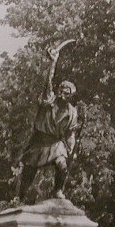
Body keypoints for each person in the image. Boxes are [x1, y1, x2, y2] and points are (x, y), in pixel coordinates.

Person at [17, 72, 80, 200]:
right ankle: (21, 197)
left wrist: (71, 150)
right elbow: (47, 83)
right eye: (61, 92)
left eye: (66, 94)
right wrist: (52, 62)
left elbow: (70, 133)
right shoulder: (49, 101)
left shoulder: (72, 112)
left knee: (62, 166)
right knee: (29, 171)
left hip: (56, 143)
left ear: (71, 96)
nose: (62, 95)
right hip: (39, 141)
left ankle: (58, 190)